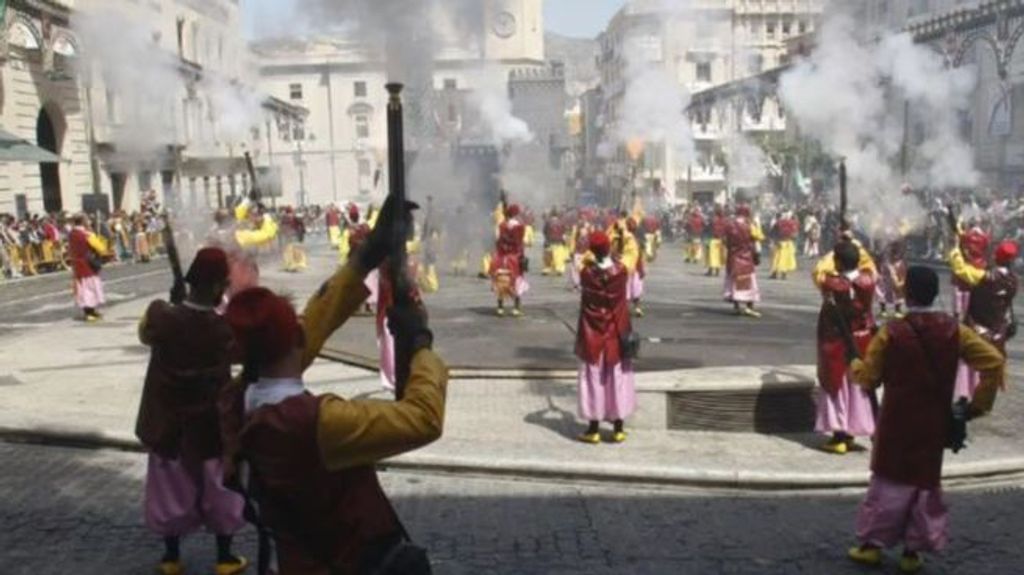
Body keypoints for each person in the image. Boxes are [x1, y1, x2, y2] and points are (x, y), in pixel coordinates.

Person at [220, 197, 446, 575]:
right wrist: (421, 344)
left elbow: (305, 331)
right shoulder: (316, 422)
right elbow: (424, 418)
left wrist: (363, 260)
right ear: (294, 338)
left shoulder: (234, 398)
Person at [847, 266, 1005, 573]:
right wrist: (977, 406)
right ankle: (912, 552)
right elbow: (994, 362)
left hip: (895, 422)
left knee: (887, 485)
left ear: (907, 293)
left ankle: (871, 547)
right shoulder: (956, 331)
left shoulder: (890, 332)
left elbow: (868, 377)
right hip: (933, 423)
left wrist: (855, 365)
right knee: (923, 484)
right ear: (936, 293)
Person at [136, 247, 247, 575]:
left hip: (169, 424)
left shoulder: (160, 316)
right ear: (216, 287)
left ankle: (171, 558)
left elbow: (145, 333)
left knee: (170, 489)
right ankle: (225, 558)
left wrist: (171, 306)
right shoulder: (223, 328)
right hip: (210, 427)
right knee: (220, 489)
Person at [814, 241, 877, 455]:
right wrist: (853, 243)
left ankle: (839, 436)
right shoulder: (869, 281)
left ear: (838, 262)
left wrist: (834, 248)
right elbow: (868, 262)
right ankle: (850, 432)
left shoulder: (831, 283)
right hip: (861, 341)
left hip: (837, 343)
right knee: (855, 388)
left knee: (836, 387)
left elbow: (819, 270)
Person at [575, 231, 636, 444]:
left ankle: (593, 430)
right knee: (617, 379)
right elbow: (632, 252)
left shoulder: (585, 274)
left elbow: (578, 260)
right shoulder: (622, 271)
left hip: (592, 335)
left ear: (592, 251)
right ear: (610, 247)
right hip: (616, 335)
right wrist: (625, 234)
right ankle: (618, 429)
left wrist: (585, 251)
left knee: (593, 380)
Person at [948, 239, 1019, 400]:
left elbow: (960, 269)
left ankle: (967, 392)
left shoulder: (984, 276)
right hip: (997, 329)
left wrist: (956, 249)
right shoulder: (1014, 280)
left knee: (968, 362)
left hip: (978, 326)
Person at [723, 204, 764, 318]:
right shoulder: (749, 225)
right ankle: (749, 307)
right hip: (746, 257)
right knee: (748, 282)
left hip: (733, 257)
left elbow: (725, 241)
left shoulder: (729, 225)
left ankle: (736, 307)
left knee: (734, 281)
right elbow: (759, 238)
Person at [489, 204, 529, 317]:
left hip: (501, 257)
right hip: (514, 258)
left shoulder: (501, 225)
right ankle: (516, 308)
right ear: (516, 214)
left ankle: (500, 307)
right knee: (516, 281)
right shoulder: (520, 227)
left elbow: (497, 241)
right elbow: (521, 243)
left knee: (501, 281)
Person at [68, 214, 107, 322]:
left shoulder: (71, 234)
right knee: (90, 288)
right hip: (88, 264)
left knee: (83, 289)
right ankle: (89, 312)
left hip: (77, 264)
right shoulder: (87, 234)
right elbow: (101, 248)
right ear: (84, 222)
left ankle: (90, 311)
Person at [770, 211, 799, 280]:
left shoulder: (778, 223)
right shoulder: (792, 223)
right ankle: (783, 274)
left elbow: (772, 233)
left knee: (776, 259)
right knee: (785, 259)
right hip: (788, 243)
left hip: (779, 242)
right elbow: (795, 234)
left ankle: (775, 273)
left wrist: (775, 241)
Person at [706, 206, 727, 277]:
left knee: (711, 255)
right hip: (721, 240)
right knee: (719, 256)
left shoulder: (714, 220)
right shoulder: (725, 220)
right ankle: (717, 271)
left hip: (713, 239)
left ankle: (710, 270)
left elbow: (709, 229)